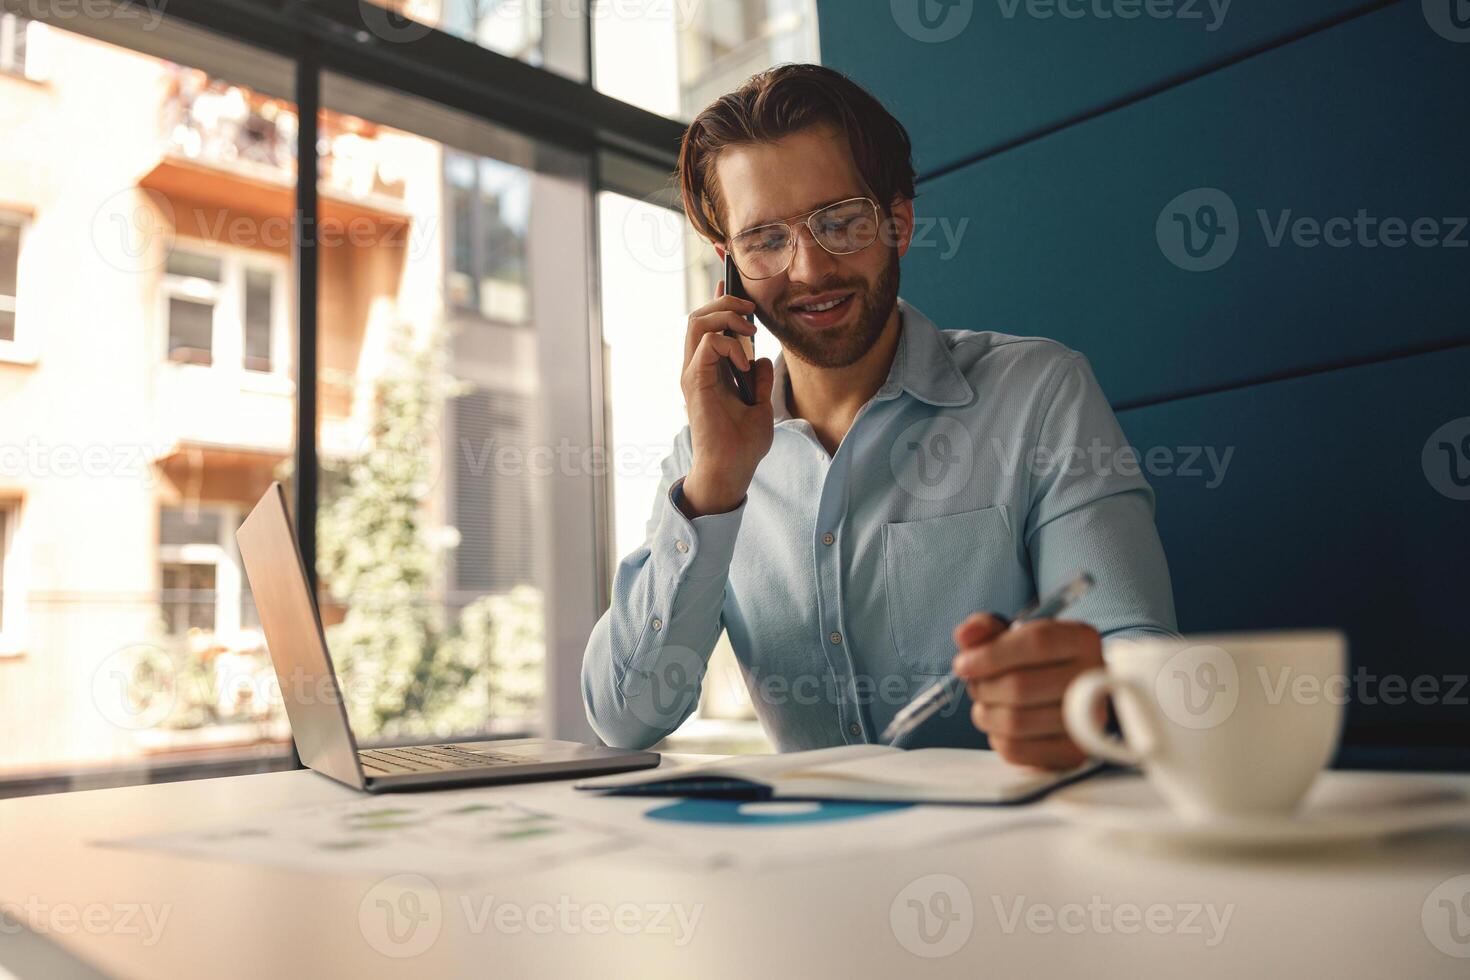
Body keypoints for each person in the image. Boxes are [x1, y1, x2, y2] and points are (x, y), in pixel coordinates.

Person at [582, 64, 1176, 770]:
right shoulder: (706, 458)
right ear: (729, 264)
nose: (807, 270)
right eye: (766, 239)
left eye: (840, 221)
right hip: (812, 865)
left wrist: (1087, 695)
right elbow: (625, 719)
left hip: (1014, 858)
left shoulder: (1039, 392)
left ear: (898, 221)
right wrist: (714, 486)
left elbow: (1141, 664)